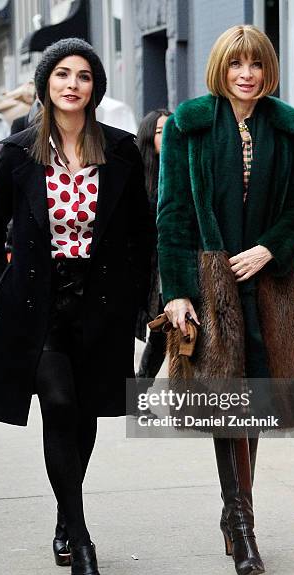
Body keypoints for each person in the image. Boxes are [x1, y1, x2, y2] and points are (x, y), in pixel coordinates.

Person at [0, 38, 153, 575]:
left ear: (95, 88)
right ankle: (81, 538)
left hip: (100, 304)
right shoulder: (20, 151)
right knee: (59, 403)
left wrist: (140, 299)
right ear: (47, 84)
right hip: (39, 304)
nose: (73, 84)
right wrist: (0, 286)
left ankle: (62, 514)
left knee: (87, 411)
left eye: (84, 76)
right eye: (62, 75)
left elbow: (141, 234)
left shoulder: (121, 150)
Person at [157, 25, 294, 575]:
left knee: (256, 403)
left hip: (269, 286)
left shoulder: (287, 125)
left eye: (255, 64)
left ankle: (234, 512)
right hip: (210, 283)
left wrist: (270, 250)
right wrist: (177, 290)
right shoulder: (189, 125)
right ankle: (244, 525)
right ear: (221, 69)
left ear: (267, 69)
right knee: (226, 402)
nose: (246, 73)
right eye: (235, 64)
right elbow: (173, 212)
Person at [135, 109, 171, 386]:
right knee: (156, 334)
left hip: (173, 266)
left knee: (163, 333)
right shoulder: (136, 176)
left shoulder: (184, 169)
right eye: (160, 131)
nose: (169, 134)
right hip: (142, 269)